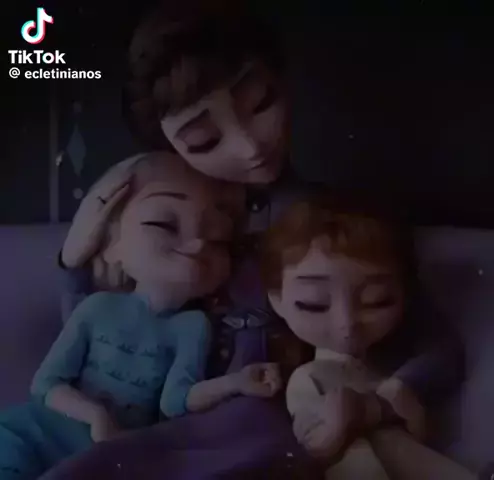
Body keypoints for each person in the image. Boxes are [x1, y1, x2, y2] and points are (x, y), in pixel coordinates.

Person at [45, 2, 462, 478]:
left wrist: (379, 402)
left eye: (261, 103)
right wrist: (76, 259)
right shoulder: (162, 221)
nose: (249, 146)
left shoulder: (324, 221)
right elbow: (98, 336)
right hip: (173, 424)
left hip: (274, 425)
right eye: (204, 140)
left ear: (283, 81)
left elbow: (436, 345)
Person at [0, 152, 282, 480]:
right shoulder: (98, 307)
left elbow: (175, 401)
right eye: (163, 224)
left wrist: (237, 382)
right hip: (35, 433)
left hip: (113, 455)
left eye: (218, 238)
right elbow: (46, 383)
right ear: (111, 246)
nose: (196, 244)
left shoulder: (193, 326)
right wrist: (96, 416)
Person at [261, 197, 472, 479]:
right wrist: (337, 426)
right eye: (314, 303)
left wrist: (386, 399)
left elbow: (441, 359)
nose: (346, 324)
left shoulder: (406, 362)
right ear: (276, 299)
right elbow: (316, 443)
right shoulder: (307, 377)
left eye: (377, 300)